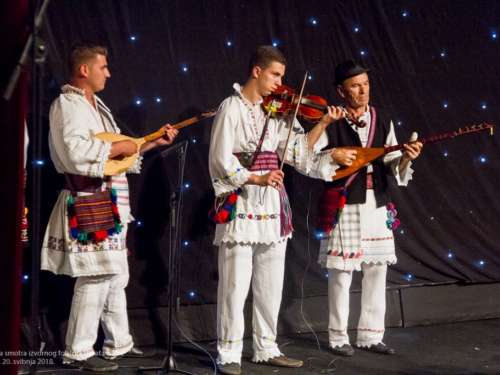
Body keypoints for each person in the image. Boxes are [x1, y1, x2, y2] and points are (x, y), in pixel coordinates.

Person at [41, 41, 178, 372]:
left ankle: (118, 343)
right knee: (97, 274)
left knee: (117, 274)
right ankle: (78, 350)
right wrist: (121, 144)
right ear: (84, 70)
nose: (109, 73)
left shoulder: (97, 106)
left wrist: (149, 143)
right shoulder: (66, 105)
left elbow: (119, 157)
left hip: (111, 202)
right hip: (89, 200)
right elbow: (75, 151)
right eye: (103, 66)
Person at [208, 45, 345, 375]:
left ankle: (266, 347)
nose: (281, 85)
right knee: (234, 287)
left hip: (273, 206)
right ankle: (228, 353)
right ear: (257, 72)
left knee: (270, 284)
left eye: (282, 77)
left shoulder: (278, 112)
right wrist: (256, 176)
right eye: (276, 75)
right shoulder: (232, 107)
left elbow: (298, 154)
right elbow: (219, 159)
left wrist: (323, 122)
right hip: (241, 201)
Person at [308, 60, 423, 356]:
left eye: (366, 84)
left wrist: (407, 157)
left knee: (376, 269)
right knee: (342, 271)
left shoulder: (382, 118)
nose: (363, 90)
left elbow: (392, 163)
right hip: (345, 203)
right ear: (341, 91)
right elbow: (309, 160)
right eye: (356, 85)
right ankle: (338, 337)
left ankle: (371, 335)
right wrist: (335, 156)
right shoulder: (329, 119)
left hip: (377, 202)